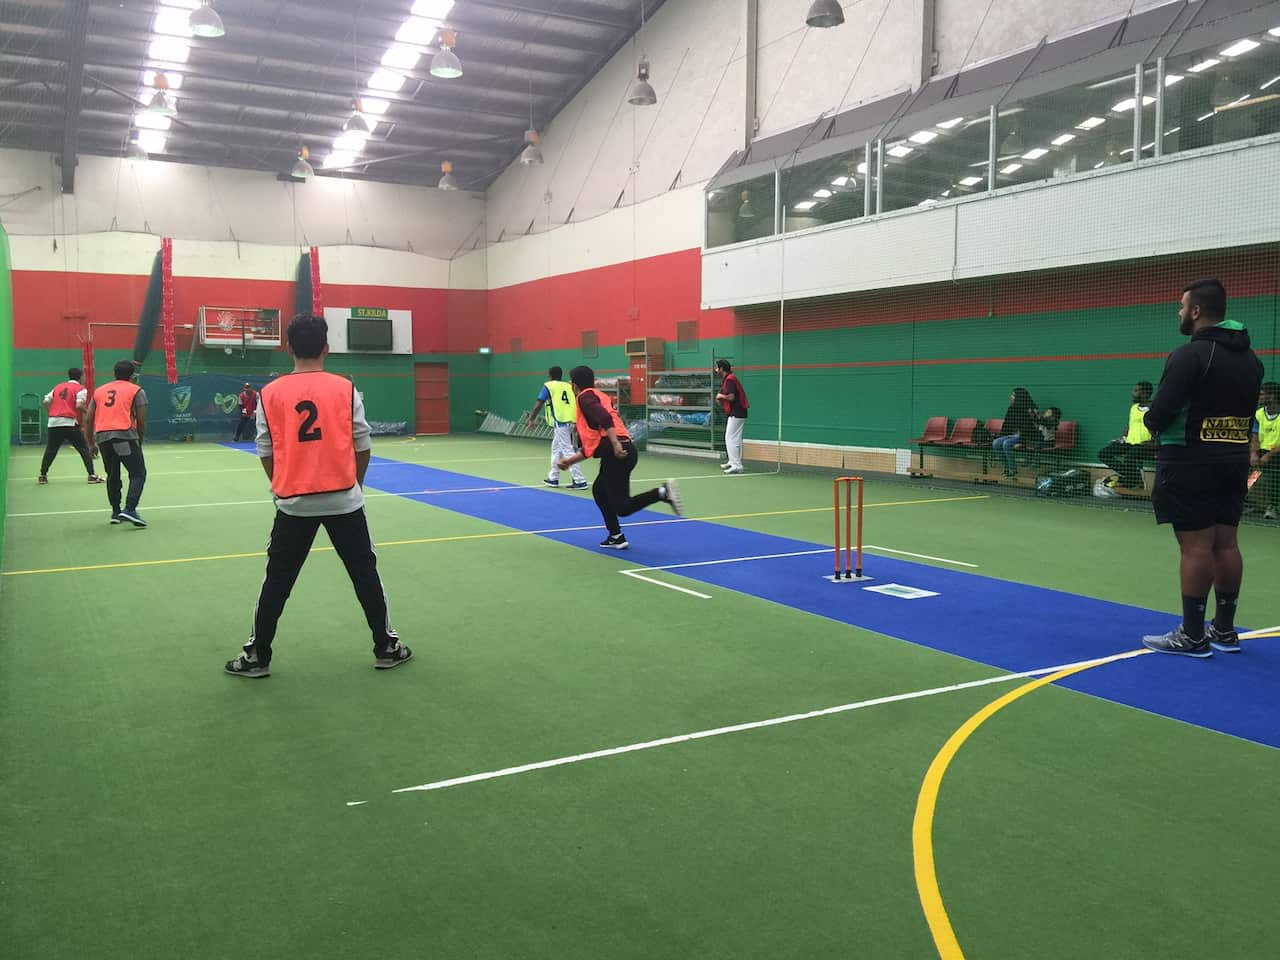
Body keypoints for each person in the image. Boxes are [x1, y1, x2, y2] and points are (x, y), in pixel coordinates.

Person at [224, 313, 411, 678]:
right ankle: (386, 648)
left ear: (288, 348)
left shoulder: (269, 393)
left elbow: (265, 449)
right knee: (364, 575)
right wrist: (355, 484)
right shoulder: (345, 388)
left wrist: (282, 483)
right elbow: (362, 443)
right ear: (326, 348)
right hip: (344, 500)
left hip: (294, 503)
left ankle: (258, 657)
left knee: (277, 581)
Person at [1141, 279, 1263, 658]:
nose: (1178, 313)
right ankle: (1224, 630)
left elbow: (1161, 411)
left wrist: (1150, 422)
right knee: (1226, 543)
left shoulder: (1189, 355)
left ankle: (1192, 636)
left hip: (1190, 461)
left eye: (1181, 307)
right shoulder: (1252, 360)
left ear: (1195, 311)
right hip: (1233, 461)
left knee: (1195, 547)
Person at [556, 365, 684, 549]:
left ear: (574, 385)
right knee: (599, 490)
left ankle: (662, 493)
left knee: (622, 507)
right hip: (625, 449)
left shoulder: (584, 398)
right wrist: (569, 462)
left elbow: (605, 419)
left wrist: (615, 444)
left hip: (616, 453)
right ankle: (616, 535)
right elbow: (592, 447)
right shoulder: (598, 396)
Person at [84, 360, 148, 527]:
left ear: (114, 374)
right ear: (132, 375)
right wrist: (139, 439)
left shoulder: (99, 391)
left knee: (113, 475)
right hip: (124, 436)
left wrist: (91, 443)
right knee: (138, 473)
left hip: (103, 438)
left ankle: (115, 512)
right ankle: (130, 509)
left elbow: (88, 419)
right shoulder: (136, 390)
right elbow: (141, 420)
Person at [38, 366, 103, 485]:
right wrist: (89, 412)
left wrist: (52, 413)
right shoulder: (80, 389)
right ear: (80, 377)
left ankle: (42, 476)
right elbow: (79, 405)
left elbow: (46, 401)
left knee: (51, 449)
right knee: (83, 449)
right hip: (69, 423)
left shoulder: (58, 387)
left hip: (53, 422)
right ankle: (92, 475)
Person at [528, 365, 588, 489]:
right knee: (556, 449)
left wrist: (532, 419)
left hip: (561, 422)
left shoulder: (549, 386)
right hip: (571, 421)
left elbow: (539, 403)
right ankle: (553, 478)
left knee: (567, 450)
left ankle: (579, 480)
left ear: (550, 375)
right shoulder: (568, 386)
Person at [1097, 381, 1155, 490]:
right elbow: (1129, 425)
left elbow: (1159, 427)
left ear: (1145, 393)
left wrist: (1154, 442)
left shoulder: (1154, 408)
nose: (1132, 393)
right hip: (1129, 443)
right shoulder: (1134, 407)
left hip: (1145, 445)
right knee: (1103, 453)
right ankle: (1133, 478)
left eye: (1136, 391)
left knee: (1129, 456)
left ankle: (1132, 480)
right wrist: (1121, 438)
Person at [993, 387, 1038, 479]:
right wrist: (1002, 435)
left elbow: (1033, 426)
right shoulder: (1011, 408)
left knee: (1006, 443)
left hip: (1026, 436)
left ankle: (1012, 470)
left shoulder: (1030, 409)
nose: (1011, 397)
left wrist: (1022, 441)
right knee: (996, 443)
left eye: (1013, 395)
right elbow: (1006, 423)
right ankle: (1006, 468)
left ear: (1019, 397)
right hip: (1012, 435)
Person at [1251, 381, 1280, 521]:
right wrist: (1253, 454)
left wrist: (1269, 455)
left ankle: (1273, 506)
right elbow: (1255, 437)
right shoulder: (1258, 414)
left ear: (1272, 396)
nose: (1259, 397)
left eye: (1262, 394)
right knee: (1250, 469)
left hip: (1276, 452)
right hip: (1262, 452)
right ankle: (1248, 501)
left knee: (1275, 470)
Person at [715, 358, 749, 474]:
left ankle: (737, 465)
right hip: (738, 412)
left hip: (737, 412)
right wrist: (721, 397)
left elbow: (731, 397)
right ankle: (732, 461)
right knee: (734, 438)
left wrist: (721, 396)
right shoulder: (728, 379)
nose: (716, 370)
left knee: (730, 438)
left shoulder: (730, 379)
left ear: (721, 368)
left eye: (717, 368)